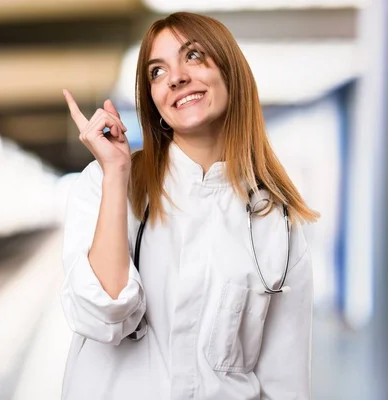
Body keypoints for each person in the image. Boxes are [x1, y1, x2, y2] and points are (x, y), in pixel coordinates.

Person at [60, 11, 318, 400]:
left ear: (230, 71)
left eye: (193, 56)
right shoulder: (105, 184)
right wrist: (116, 173)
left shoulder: (275, 221)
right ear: (153, 99)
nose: (176, 77)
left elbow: (286, 382)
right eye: (157, 72)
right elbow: (105, 316)